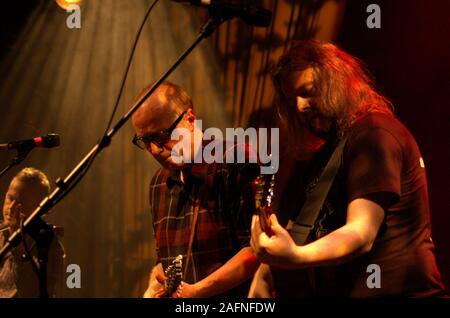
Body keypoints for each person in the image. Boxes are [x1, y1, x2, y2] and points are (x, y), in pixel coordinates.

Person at [249, 40, 446, 297]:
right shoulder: (326, 154)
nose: (299, 106)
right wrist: (266, 273)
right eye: (291, 99)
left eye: (307, 91)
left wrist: (296, 255)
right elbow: (297, 231)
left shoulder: (374, 133)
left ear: (336, 82)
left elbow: (361, 232)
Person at [131, 81, 260, 298]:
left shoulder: (236, 159)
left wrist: (197, 292)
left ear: (190, 120)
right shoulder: (157, 183)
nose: (154, 150)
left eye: (161, 136)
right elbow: (164, 260)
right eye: (145, 141)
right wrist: (153, 290)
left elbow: (255, 249)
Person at [0, 167, 64, 298]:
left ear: (41, 210)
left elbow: (31, 292)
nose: (11, 207)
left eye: (21, 203)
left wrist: (18, 245)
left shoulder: (48, 245)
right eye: (10, 197)